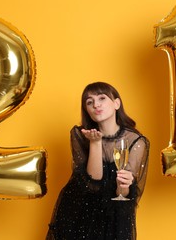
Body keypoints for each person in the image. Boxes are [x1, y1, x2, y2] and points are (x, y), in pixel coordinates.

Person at [46, 82, 150, 240]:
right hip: (79, 210)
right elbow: (92, 183)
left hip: (114, 215)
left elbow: (123, 197)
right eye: (89, 102)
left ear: (116, 103)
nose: (96, 104)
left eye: (102, 98)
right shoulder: (80, 134)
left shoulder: (136, 141)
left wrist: (124, 186)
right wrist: (95, 143)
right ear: (87, 110)